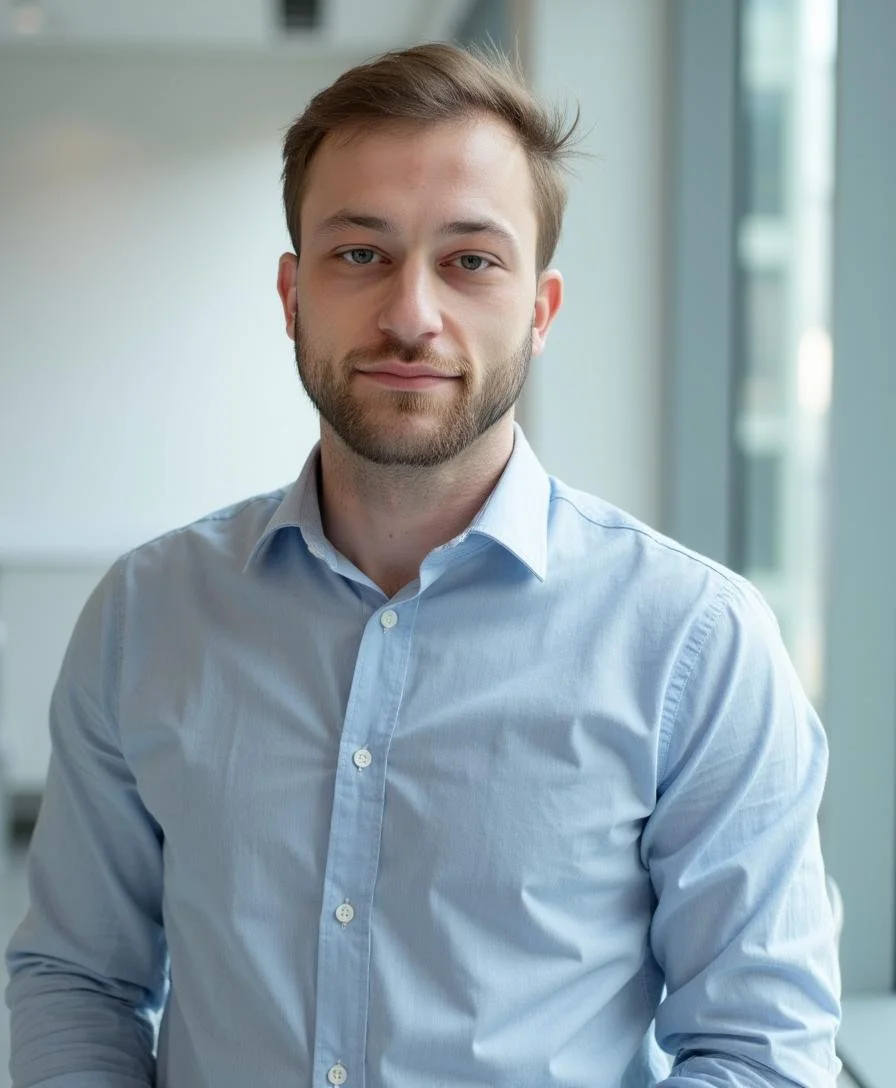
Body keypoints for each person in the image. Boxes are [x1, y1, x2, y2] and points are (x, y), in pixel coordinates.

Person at [5, 42, 840, 1088]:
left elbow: (758, 1048)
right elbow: (78, 980)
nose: (410, 314)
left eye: (469, 260)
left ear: (538, 311)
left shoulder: (694, 642)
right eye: (359, 254)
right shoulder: (147, 613)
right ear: (290, 293)